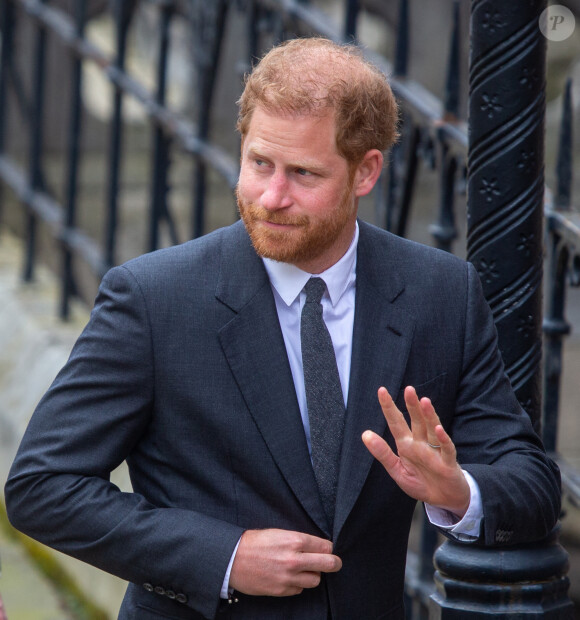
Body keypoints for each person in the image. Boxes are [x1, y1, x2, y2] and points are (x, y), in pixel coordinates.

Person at [5, 37, 560, 620]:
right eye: (259, 163)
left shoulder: (439, 292)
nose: (272, 196)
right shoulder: (152, 299)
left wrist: (458, 492)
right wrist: (224, 556)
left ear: (365, 171)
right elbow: (43, 486)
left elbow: (531, 483)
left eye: (303, 173)